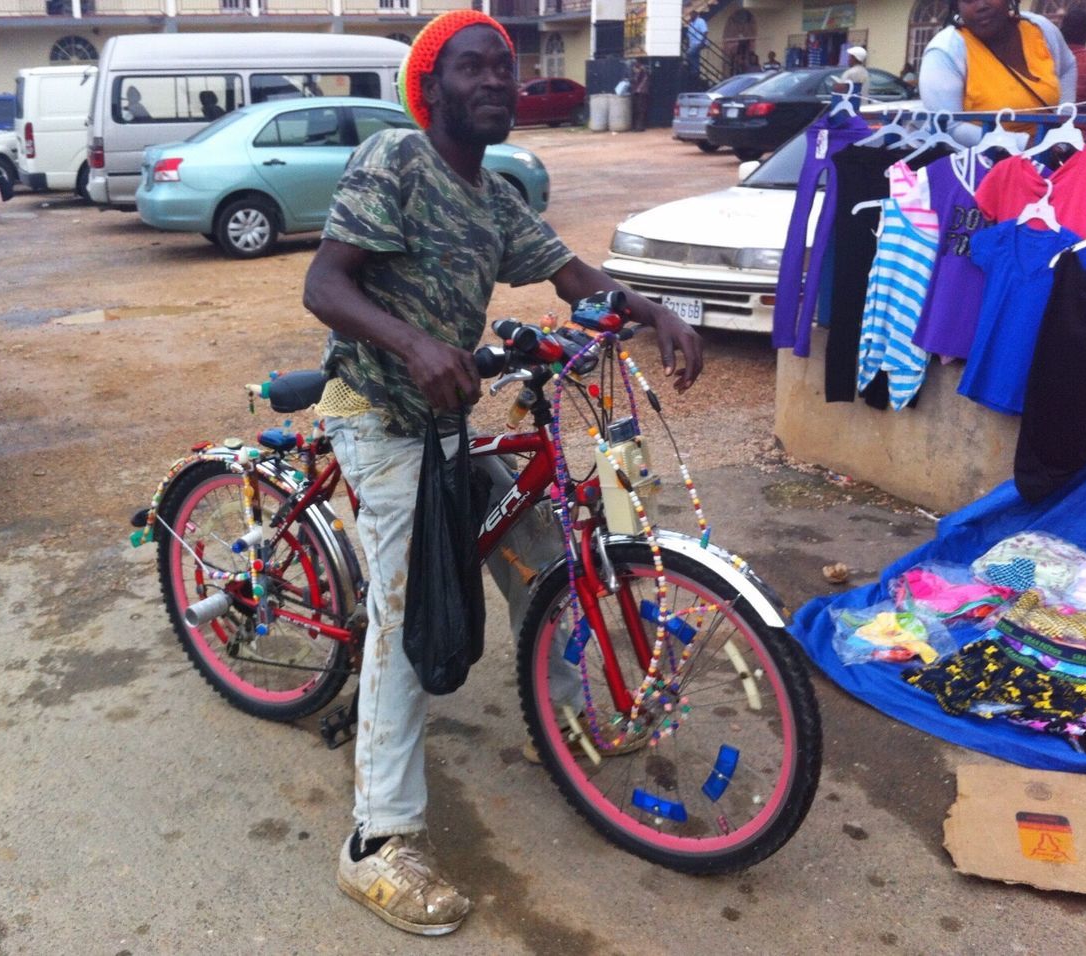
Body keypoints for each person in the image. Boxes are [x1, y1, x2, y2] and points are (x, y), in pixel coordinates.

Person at [301, 9, 702, 937]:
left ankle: (560, 727)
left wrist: (654, 312)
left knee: (535, 550)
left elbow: (571, 277)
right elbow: (326, 284)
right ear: (432, 87)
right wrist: (411, 344)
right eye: (473, 68)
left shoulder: (494, 194)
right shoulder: (395, 162)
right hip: (374, 418)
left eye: (506, 70)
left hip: (443, 427)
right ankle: (376, 842)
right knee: (412, 613)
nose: (496, 82)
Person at [919, 0, 1076, 143]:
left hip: (1049, 162)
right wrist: (1023, 145)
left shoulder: (1040, 29)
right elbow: (949, 127)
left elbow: (1068, 67)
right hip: (983, 167)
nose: (981, 6)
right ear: (956, 6)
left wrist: (1063, 124)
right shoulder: (945, 51)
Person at [685, 12, 708, 81]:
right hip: (692, 44)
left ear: (696, 15)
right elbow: (688, 36)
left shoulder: (700, 21)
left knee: (689, 53)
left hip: (699, 42)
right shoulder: (691, 24)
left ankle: (695, 71)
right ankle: (696, 71)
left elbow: (705, 32)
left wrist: (702, 41)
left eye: (692, 14)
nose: (690, 16)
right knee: (695, 56)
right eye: (690, 14)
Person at [630, 59, 650, 131]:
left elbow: (643, 81)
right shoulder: (640, 71)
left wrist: (638, 89)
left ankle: (640, 127)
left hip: (641, 93)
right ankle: (638, 126)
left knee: (640, 110)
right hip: (638, 92)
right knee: (637, 110)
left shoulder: (642, 71)